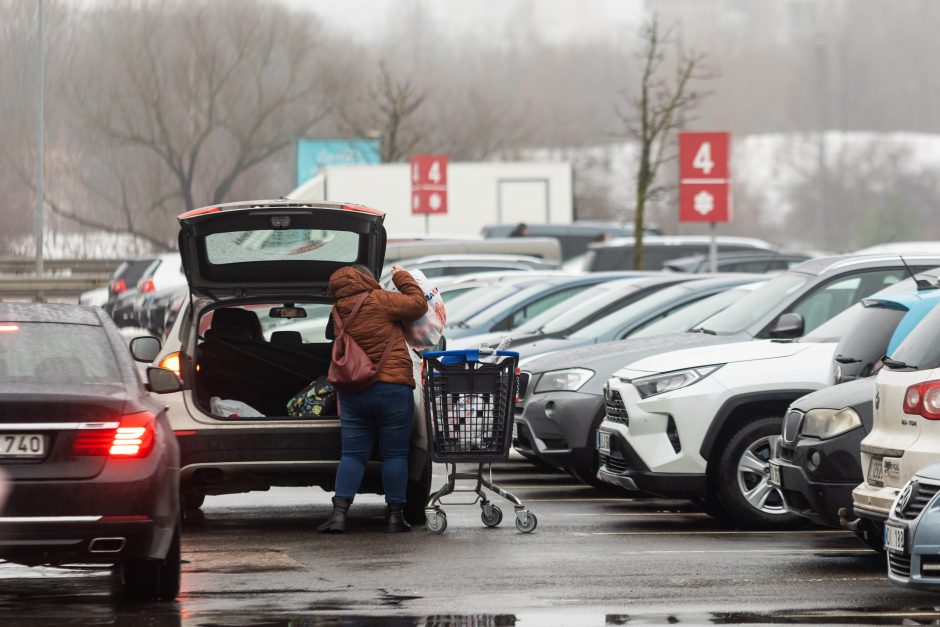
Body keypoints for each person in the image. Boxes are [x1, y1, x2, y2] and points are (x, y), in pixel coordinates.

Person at [318, 264, 427, 534]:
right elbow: (418, 305)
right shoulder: (380, 300)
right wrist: (404, 277)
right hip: (392, 389)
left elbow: (332, 337)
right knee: (395, 455)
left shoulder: (338, 309)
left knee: (353, 454)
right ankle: (394, 517)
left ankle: (339, 515)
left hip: (354, 390)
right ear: (367, 278)